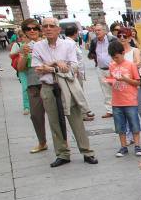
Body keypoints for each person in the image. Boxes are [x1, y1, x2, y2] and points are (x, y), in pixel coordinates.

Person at [32, 17, 98, 168]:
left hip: (67, 87)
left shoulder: (68, 44)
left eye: (51, 26)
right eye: (45, 26)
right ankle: (62, 154)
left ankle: (87, 151)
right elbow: (37, 69)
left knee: (76, 120)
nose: (48, 28)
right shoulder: (38, 46)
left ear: (58, 29)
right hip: (48, 87)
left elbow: (73, 67)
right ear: (42, 29)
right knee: (54, 122)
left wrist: (49, 68)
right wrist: (56, 63)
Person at [13, 19, 48, 153]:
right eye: (28, 29)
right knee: (36, 115)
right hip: (33, 84)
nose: (32, 31)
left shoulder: (46, 44)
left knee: (55, 114)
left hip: (48, 82)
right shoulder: (23, 47)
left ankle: (63, 142)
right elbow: (20, 69)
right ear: (25, 32)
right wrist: (24, 54)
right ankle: (42, 142)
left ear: (39, 30)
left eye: (35, 28)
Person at [118, 27, 141, 145]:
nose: (122, 38)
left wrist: (123, 69)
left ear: (130, 38)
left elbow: (137, 64)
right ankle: (130, 136)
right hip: (123, 86)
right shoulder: (117, 52)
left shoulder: (135, 50)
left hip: (136, 84)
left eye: (125, 36)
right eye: (119, 36)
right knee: (127, 112)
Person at [108, 39, 141, 157]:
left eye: (117, 57)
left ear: (123, 53)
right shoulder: (111, 65)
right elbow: (110, 78)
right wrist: (110, 81)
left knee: (134, 124)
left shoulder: (130, 65)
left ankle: (137, 145)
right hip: (116, 101)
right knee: (120, 126)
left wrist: (125, 79)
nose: (115, 60)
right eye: (113, 58)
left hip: (130, 100)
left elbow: (137, 82)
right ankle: (123, 146)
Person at [88, 23, 115, 118]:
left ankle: (118, 108)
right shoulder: (94, 41)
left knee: (114, 88)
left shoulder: (112, 40)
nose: (97, 32)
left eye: (99, 30)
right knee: (106, 90)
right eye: (96, 30)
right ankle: (109, 110)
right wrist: (92, 56)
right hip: (101, 70)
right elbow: (90, 54)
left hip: (112, 69)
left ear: (105, 31)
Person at [9, 28, 32, 117]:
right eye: (23, 37)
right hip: (22, 70)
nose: (25, 38)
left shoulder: (34, 44)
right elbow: (11, 55)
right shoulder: (17, 45)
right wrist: (21, 50)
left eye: (27, 36)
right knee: (25, 87)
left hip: (32, 68)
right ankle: (26, 107)